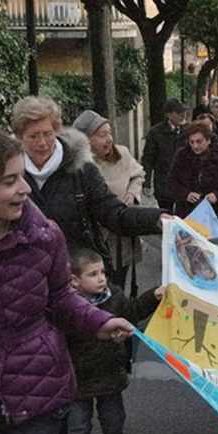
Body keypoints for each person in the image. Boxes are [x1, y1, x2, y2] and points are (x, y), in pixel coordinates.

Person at [0, 127, 133, 434]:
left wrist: (98, 320)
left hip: (40, 387)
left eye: (22, 175)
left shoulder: (43, 236)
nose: (25, 188)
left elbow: (61, 297)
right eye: (10, 181)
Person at [11, 96, 164, 273]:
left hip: (78, 273)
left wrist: (157, 219)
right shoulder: (8, 173)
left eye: (47, 134)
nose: (42, 143)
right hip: (27, 273)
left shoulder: (82, 170)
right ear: (19, 137)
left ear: (57, 131)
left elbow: (113, 213)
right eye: (33, 136)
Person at [61, 248, 164, 434]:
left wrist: (153, 296)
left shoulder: (113, 296)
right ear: (74, 280)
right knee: (78, 431)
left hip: (109, 375)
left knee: (114, 424)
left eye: (102, 272)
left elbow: (133, 311)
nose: (101, 278)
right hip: (77, 381)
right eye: (93, 274)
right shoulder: (66, 307)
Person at [73, 110, 145, 291]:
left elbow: (138, 175)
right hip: (95, 241)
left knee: (119, 284)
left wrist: (132, 193)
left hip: (122, 236)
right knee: (96, 288)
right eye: (102, 135)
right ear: (86, 139)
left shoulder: (122, 154)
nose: (109, 139)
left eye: (109, 133)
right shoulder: (78, 167)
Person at [168, 121, 218, 219]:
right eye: (192, 142)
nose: (195, 146)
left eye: (199, 141)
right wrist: (186, 194)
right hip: (186, 212)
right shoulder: (182, 156)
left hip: (215, 213)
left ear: (208, 140)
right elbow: (171, 180)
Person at [142, 97, 187, 211]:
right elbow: (148, 159)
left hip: (185, 183)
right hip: (164, 183)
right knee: (167, 214)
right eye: (179, 112)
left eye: (184, 111)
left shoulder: (188, 130)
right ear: (169, 114)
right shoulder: (155, 133)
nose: (183, 115)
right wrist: (146, 182)